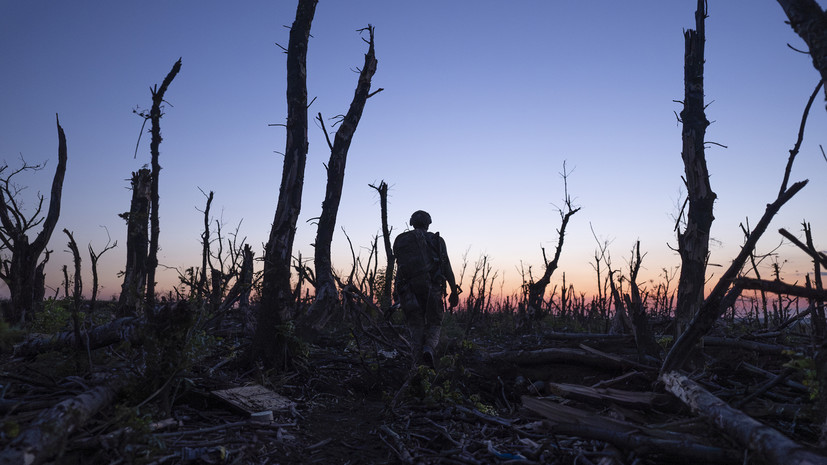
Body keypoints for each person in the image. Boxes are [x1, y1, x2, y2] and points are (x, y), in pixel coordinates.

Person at [392, 210, 459, 368]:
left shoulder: (401, 240)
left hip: (408, 291)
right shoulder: (437, 240)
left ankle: (417, 364)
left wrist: (396, 293)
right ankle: (429, 348)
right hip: (432, 289)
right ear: (428, 223)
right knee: (435, 322)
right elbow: (447, 267)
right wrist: (454, 291)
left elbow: (400, 270)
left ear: (412, 222)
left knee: (416, 326)